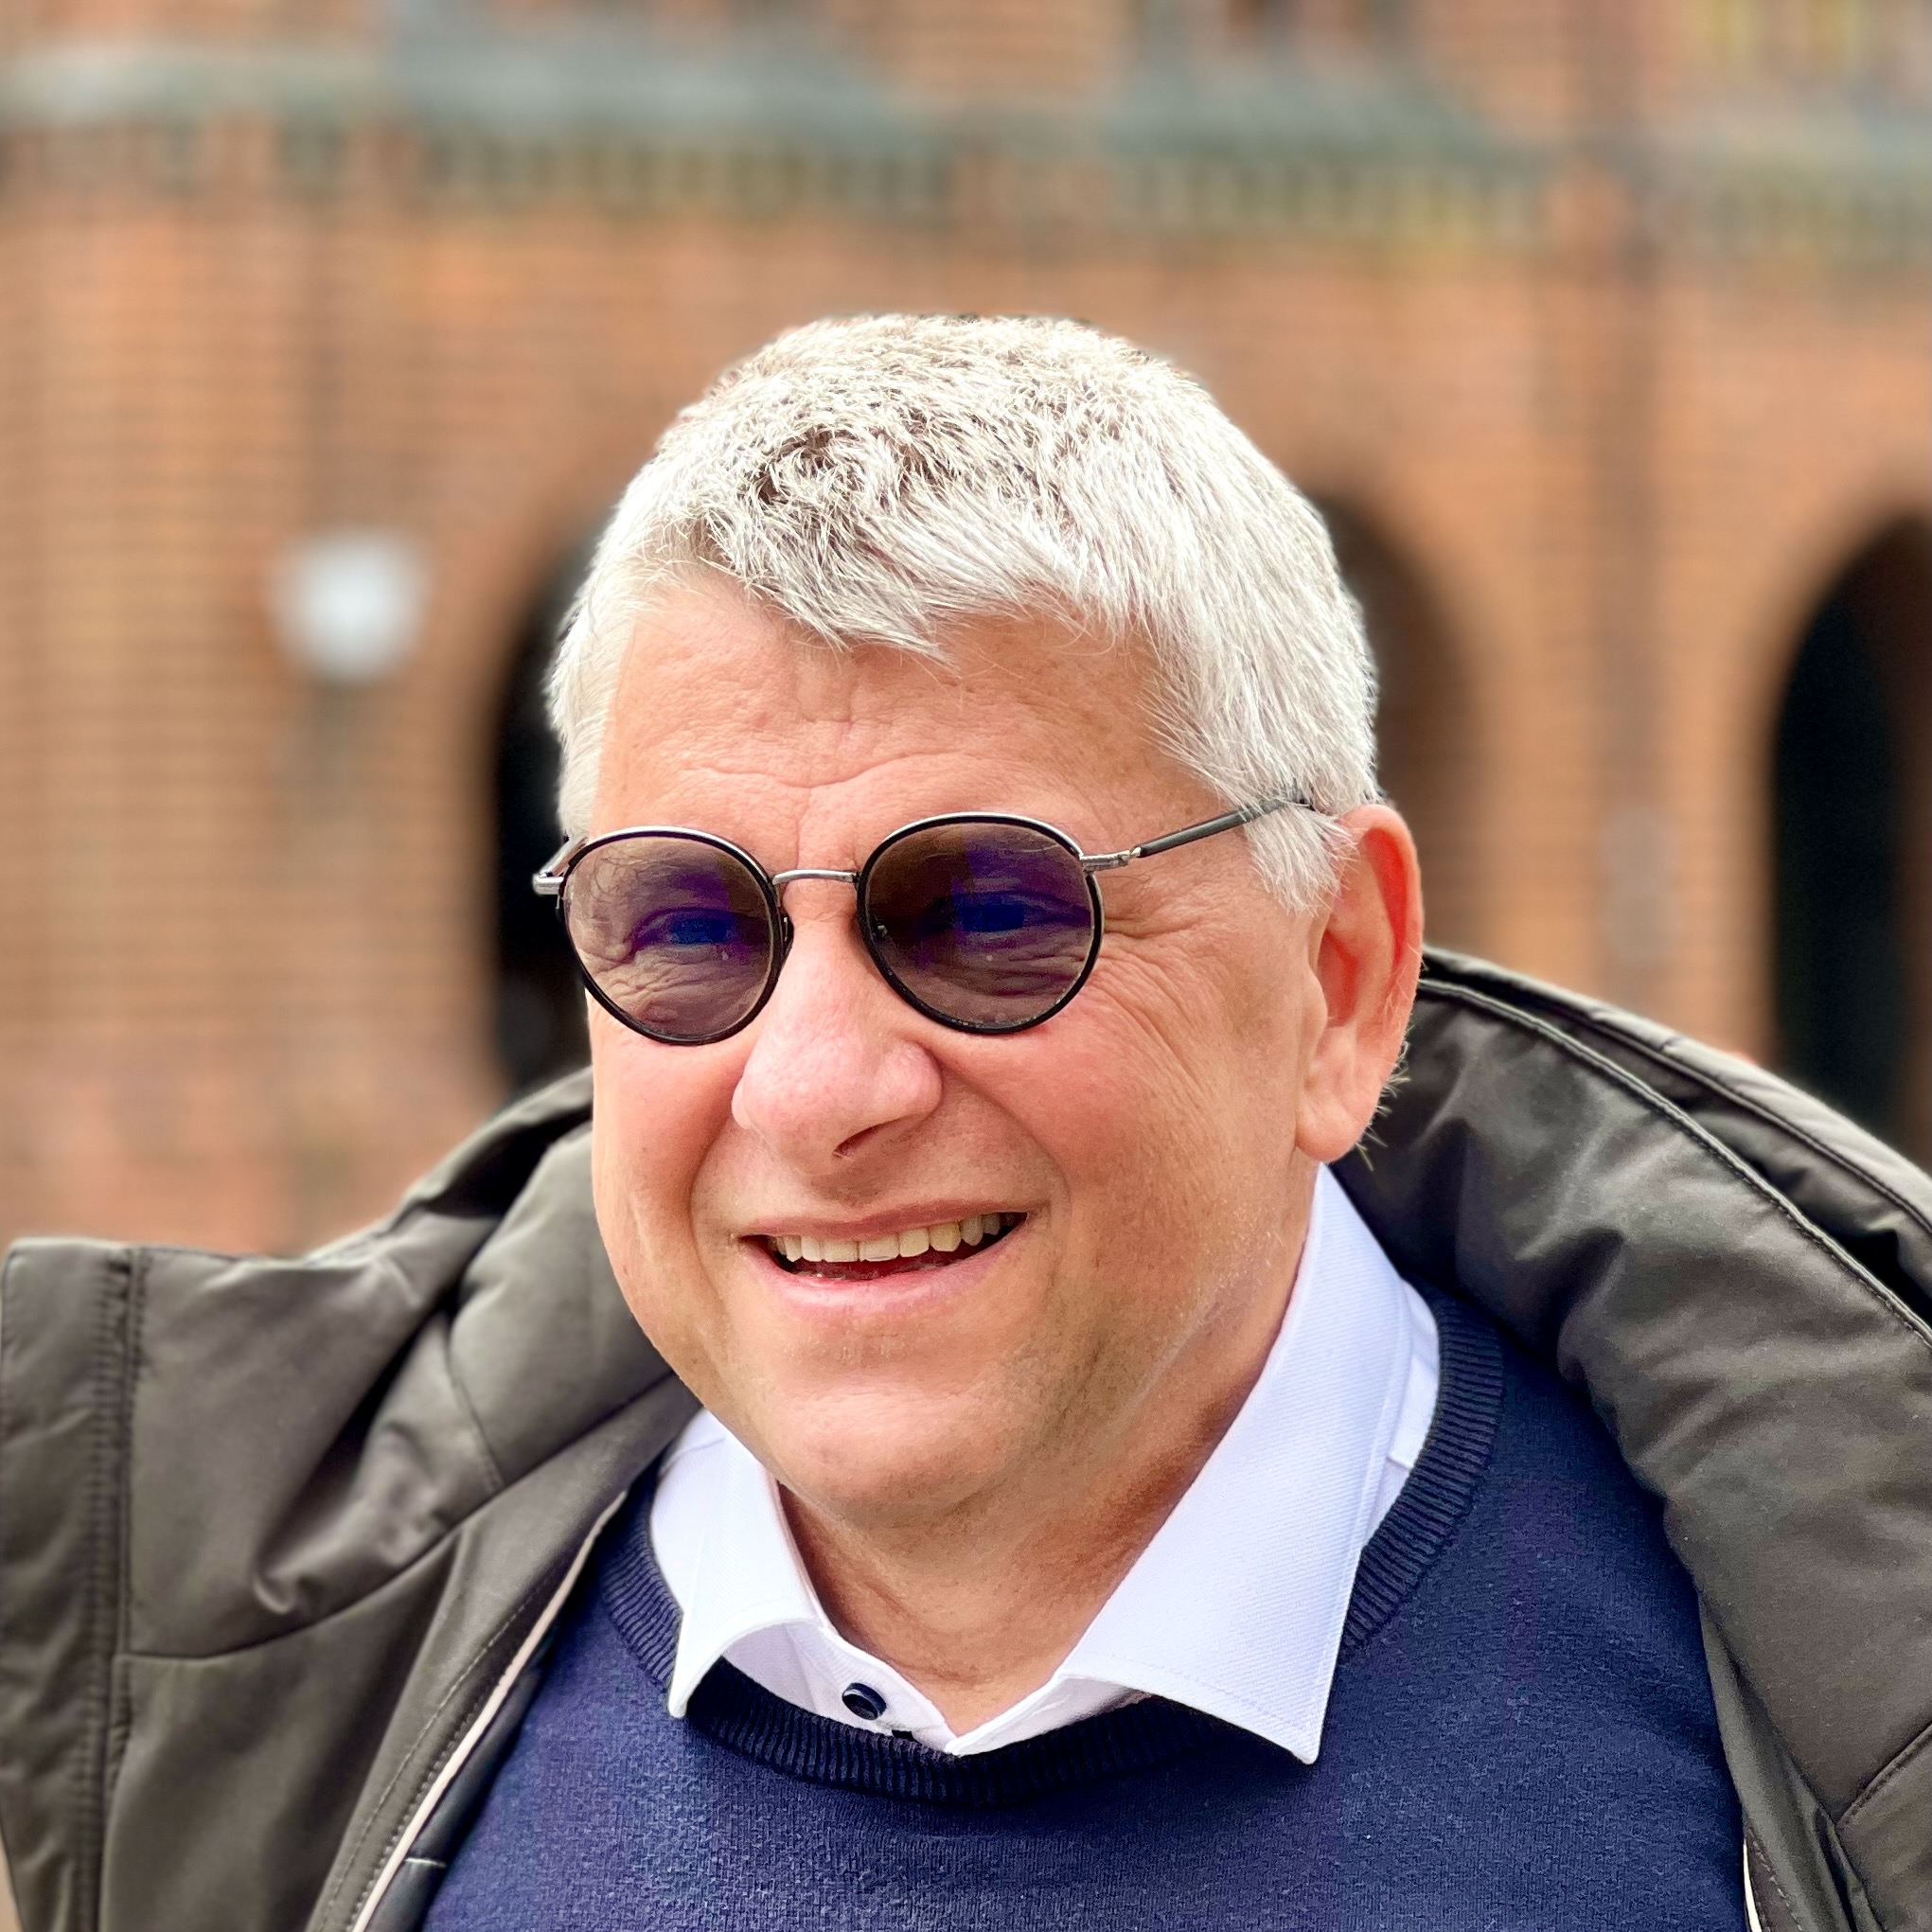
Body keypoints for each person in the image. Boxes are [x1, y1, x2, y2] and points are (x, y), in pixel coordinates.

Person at [0, 316, 1926, 1932]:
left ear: (1335, 976)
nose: (819, 1087)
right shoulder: (238, 1679)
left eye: (990, 916)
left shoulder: (1814, 1710)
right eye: (686, 923)